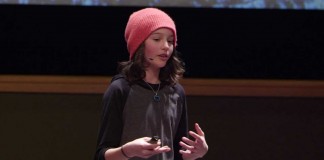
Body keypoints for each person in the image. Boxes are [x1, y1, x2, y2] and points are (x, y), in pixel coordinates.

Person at [94, 7, 208, 160]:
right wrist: (127, 151)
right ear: (139, 44)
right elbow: (102, 155)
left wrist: (196, 153)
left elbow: (178, 152)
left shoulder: (176, 92)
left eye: (170, 41)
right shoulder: (120, 89)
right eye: (156, 39)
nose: (166, 46)